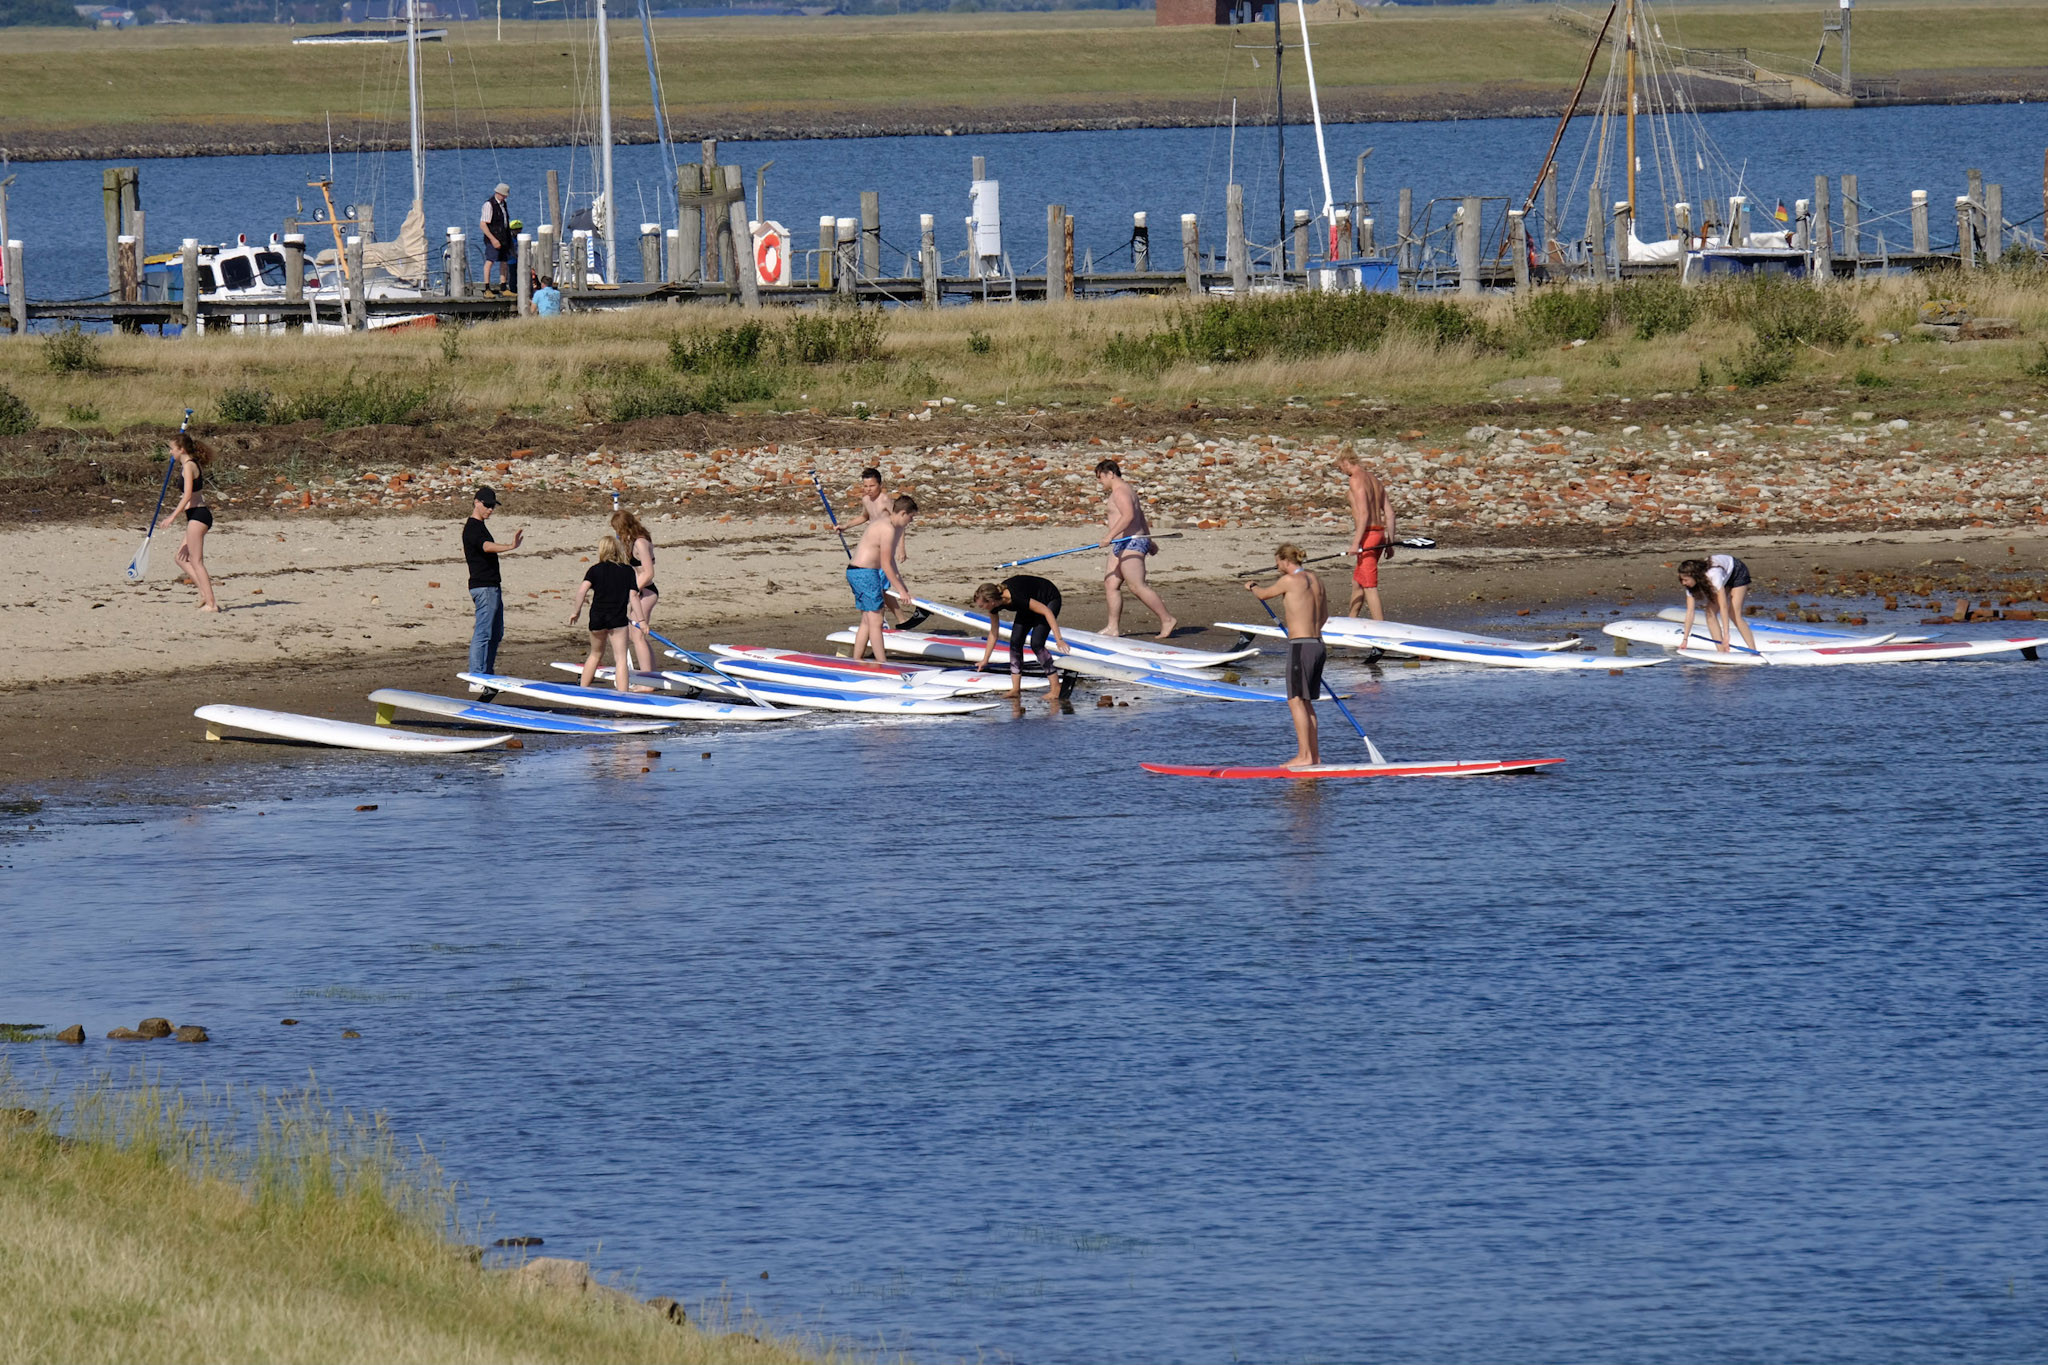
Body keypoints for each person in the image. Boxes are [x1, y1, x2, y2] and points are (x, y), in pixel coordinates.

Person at [1244, 543, 1330, 769]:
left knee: (1295, 701)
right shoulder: (1316, 580)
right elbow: (1324, 615)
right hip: (1318, 645)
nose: (1277, 567)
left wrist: (1252, 586)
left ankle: (1304, 756)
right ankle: (1314, 756)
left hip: (1301, 647)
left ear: (1285, 560)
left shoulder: (1289, 581)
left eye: (1278, 563)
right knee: (1307, 702)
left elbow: (1264, 595)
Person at [1094, 459, 1177, 639]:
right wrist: (1150, 539)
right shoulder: (1123, 490)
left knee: (1136, 586)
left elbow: (1130, 516)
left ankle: (1167, 619)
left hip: (1131, 542)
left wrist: (1108, 536)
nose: (1100, 482)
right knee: (1111, 583)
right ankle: (1112, 627)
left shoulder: (1121, 492)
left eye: (1100, 477)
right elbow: (1140, 516)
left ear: (1110, 474)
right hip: (1123, 543)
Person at [567, 535, 649, 693]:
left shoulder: (595, 569)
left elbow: (582, 591)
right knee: (620, 659)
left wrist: (576, 612)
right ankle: (622, 696)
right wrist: (642, 621)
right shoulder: (627, 571)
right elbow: (634, 597)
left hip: (597, 618)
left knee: (595, 654)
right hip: (617, 620)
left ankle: (583, 691)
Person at [463, 486, 524, 694]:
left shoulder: (481, 525)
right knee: (483, 632)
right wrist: (510, 546)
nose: (490, 509)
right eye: (487, 505)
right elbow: (486, 546)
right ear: (477, 502)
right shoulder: (472, 527)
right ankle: (476, 677)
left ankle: (487, 675)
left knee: (496, 632)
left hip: (492, 586)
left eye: (493, 506)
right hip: (483, 587)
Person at [846, 494, 917, 665]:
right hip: (865, 573)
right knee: (877, 621)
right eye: (911, 517)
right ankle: (882, 663)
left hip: (856, 572)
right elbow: (885, 565)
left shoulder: (890, 525)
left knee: (867, 620)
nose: (911, 521)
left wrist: (903, 587)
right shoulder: (887, 529)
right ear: (902, 513)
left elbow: (890, 561)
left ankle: (857, 659)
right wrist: (900, 590)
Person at [972, 575, 1068, 699]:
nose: (982, 609)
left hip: (1048, 599)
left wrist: (1059, 639)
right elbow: (993, 633)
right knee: (1015, 642)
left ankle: (1056, 687)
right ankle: (1015, 689)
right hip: (1028, 603)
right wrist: (985, 660)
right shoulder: (994, 605)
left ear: (991, 602)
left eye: (981, 606)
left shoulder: (1016, 596)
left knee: (1037, 643)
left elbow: (1046, 612)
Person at [162, 431, 218, 613]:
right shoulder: (189, 464)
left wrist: (172, 516)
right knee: (180, 558)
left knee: (196, 561)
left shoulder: (189, 466)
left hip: (199, 516)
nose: (170, 452)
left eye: (172, 449)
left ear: (181, 449)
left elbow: (187, 496)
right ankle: (204, 594)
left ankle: (212, 603)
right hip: (195, 515)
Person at [1337, 451, 1396, 621]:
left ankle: (1381, 628)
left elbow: (1363, 514)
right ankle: (1351, 619)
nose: (1341, 470)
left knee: (1370, 586)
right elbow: (1390, 514)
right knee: (1358, 582)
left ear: (1346, 461)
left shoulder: (1356, 479)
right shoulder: (1375, 480)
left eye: (1340, 466)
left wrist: (1355, 543)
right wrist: (1389, 542)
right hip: (1379, 534)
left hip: (1368, 536)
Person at [844, 467, 906, 626]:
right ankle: (884, 619)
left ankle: (900, 619)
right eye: (865, 486)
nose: (868, 490)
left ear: (880, 485)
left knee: (882, 587)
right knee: (875, 586)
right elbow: (864, 517)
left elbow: (899, 522)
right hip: (873, 547)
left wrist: (901, 548)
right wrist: (845, 526)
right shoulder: (866, 500)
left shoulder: (885, 500)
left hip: (885, 546)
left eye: (871, 486)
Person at [1677, 555, 1762, 655]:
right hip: (1723, 576)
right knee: (1710, 613)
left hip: (1737, 571)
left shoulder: (1713, 575)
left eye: (1686, 580)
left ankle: (1753, 651)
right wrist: (1685, 639)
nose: (1683, 583)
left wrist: (1726, 634)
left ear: (1694, 576)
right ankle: (1721, 651)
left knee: (1734, 614)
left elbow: (1723, 606)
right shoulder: (1690, 586)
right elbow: (1690, 612)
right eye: (1681, 580)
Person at [611, 507, 659, 672]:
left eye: (618, 529)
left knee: (637, 636)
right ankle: (651, 674)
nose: (617, 533)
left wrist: (633, 589)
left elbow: (649, 572)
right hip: (638, 593)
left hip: (646, 592)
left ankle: (648, 681)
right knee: (636, 636)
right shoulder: (633, 542)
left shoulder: (640, 542)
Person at [479, 183, 514, 293]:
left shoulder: (503, 204)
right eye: (503, 195)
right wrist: (493, 239)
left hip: (504, 238)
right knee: (490, 261)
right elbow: (483, 224)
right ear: (498, 193)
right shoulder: (489, 205)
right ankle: (487, 288)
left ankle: (503, 286)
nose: (505, 197)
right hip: (493, 238)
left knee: (504, 261)